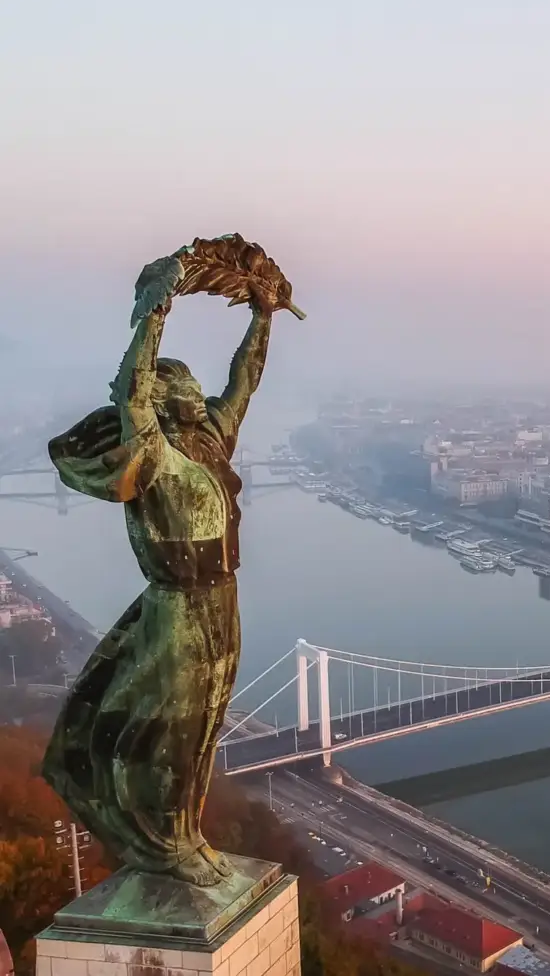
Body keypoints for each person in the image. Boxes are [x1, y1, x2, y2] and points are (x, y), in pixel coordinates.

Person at [43, 283, 279, 886]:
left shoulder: (207, 442)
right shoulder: (151, 454)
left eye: (200, 390)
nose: (202, 396)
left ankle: (186, 836)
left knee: (204, 725)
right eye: (189, 390)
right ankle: (162, 844)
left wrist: (263, 314)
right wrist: (155, 313)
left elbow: (244, 382)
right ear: (165, 401)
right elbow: (131, 392)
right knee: (169, 730)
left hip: (222, 598)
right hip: (177, 604)